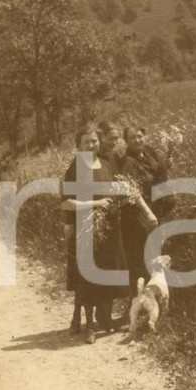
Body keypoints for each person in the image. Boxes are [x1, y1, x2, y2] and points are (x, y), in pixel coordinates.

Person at [60, 124, 127, 344]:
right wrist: (95, 203)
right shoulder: (77, 167)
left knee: (106, 272)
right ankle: (88, 326)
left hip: (108, 229)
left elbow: (112, 190)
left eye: (94, 141)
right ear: (79, 146)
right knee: (88, 276)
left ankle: (103, 319)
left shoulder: (107, 163)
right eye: (86, 142)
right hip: (87, 227)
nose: (91, 145)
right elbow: (66, 204)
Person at [120, 125, 170, 297]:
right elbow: (132, 192)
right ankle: (140, 302)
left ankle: (157, 298)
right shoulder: (128, 162)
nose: (137, 140)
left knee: (156, 255)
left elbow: (160, 172)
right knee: (143, 259)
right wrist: (148, 213)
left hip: (157, 210)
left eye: (139, 136)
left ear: (145, 136)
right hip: (139, 216)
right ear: (126, 141)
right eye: (132, 138)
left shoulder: (148, 152)